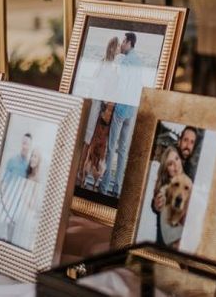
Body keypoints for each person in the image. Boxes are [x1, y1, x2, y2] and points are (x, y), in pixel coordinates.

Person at [100, 32, 142, 196]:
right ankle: (117, 188)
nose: (122, 44)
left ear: (129, 42)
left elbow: (121, 86)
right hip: (132, 109)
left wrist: (110, 101)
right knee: (123, 150)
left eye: (124, 41)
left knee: (111, 148)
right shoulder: (138, 61)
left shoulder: (124, 61)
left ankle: (104, 187)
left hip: (121, 108)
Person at [78, 37, 121, 186]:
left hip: (100, 106)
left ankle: (83, 173)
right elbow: (101, 86)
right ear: (113, 48)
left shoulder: (106, 63)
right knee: (89, 141)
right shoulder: (107, 65)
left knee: (91, 141)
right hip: (99, 106)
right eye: (118, 46)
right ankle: (81, 173)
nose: (120, 48)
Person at [150, 145, 185, 247]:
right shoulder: (164, 188)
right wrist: (155, 206)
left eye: (176, 159)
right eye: (170, 163)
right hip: (164, 245)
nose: (175, 165)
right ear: (166, 169)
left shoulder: (188, 184)